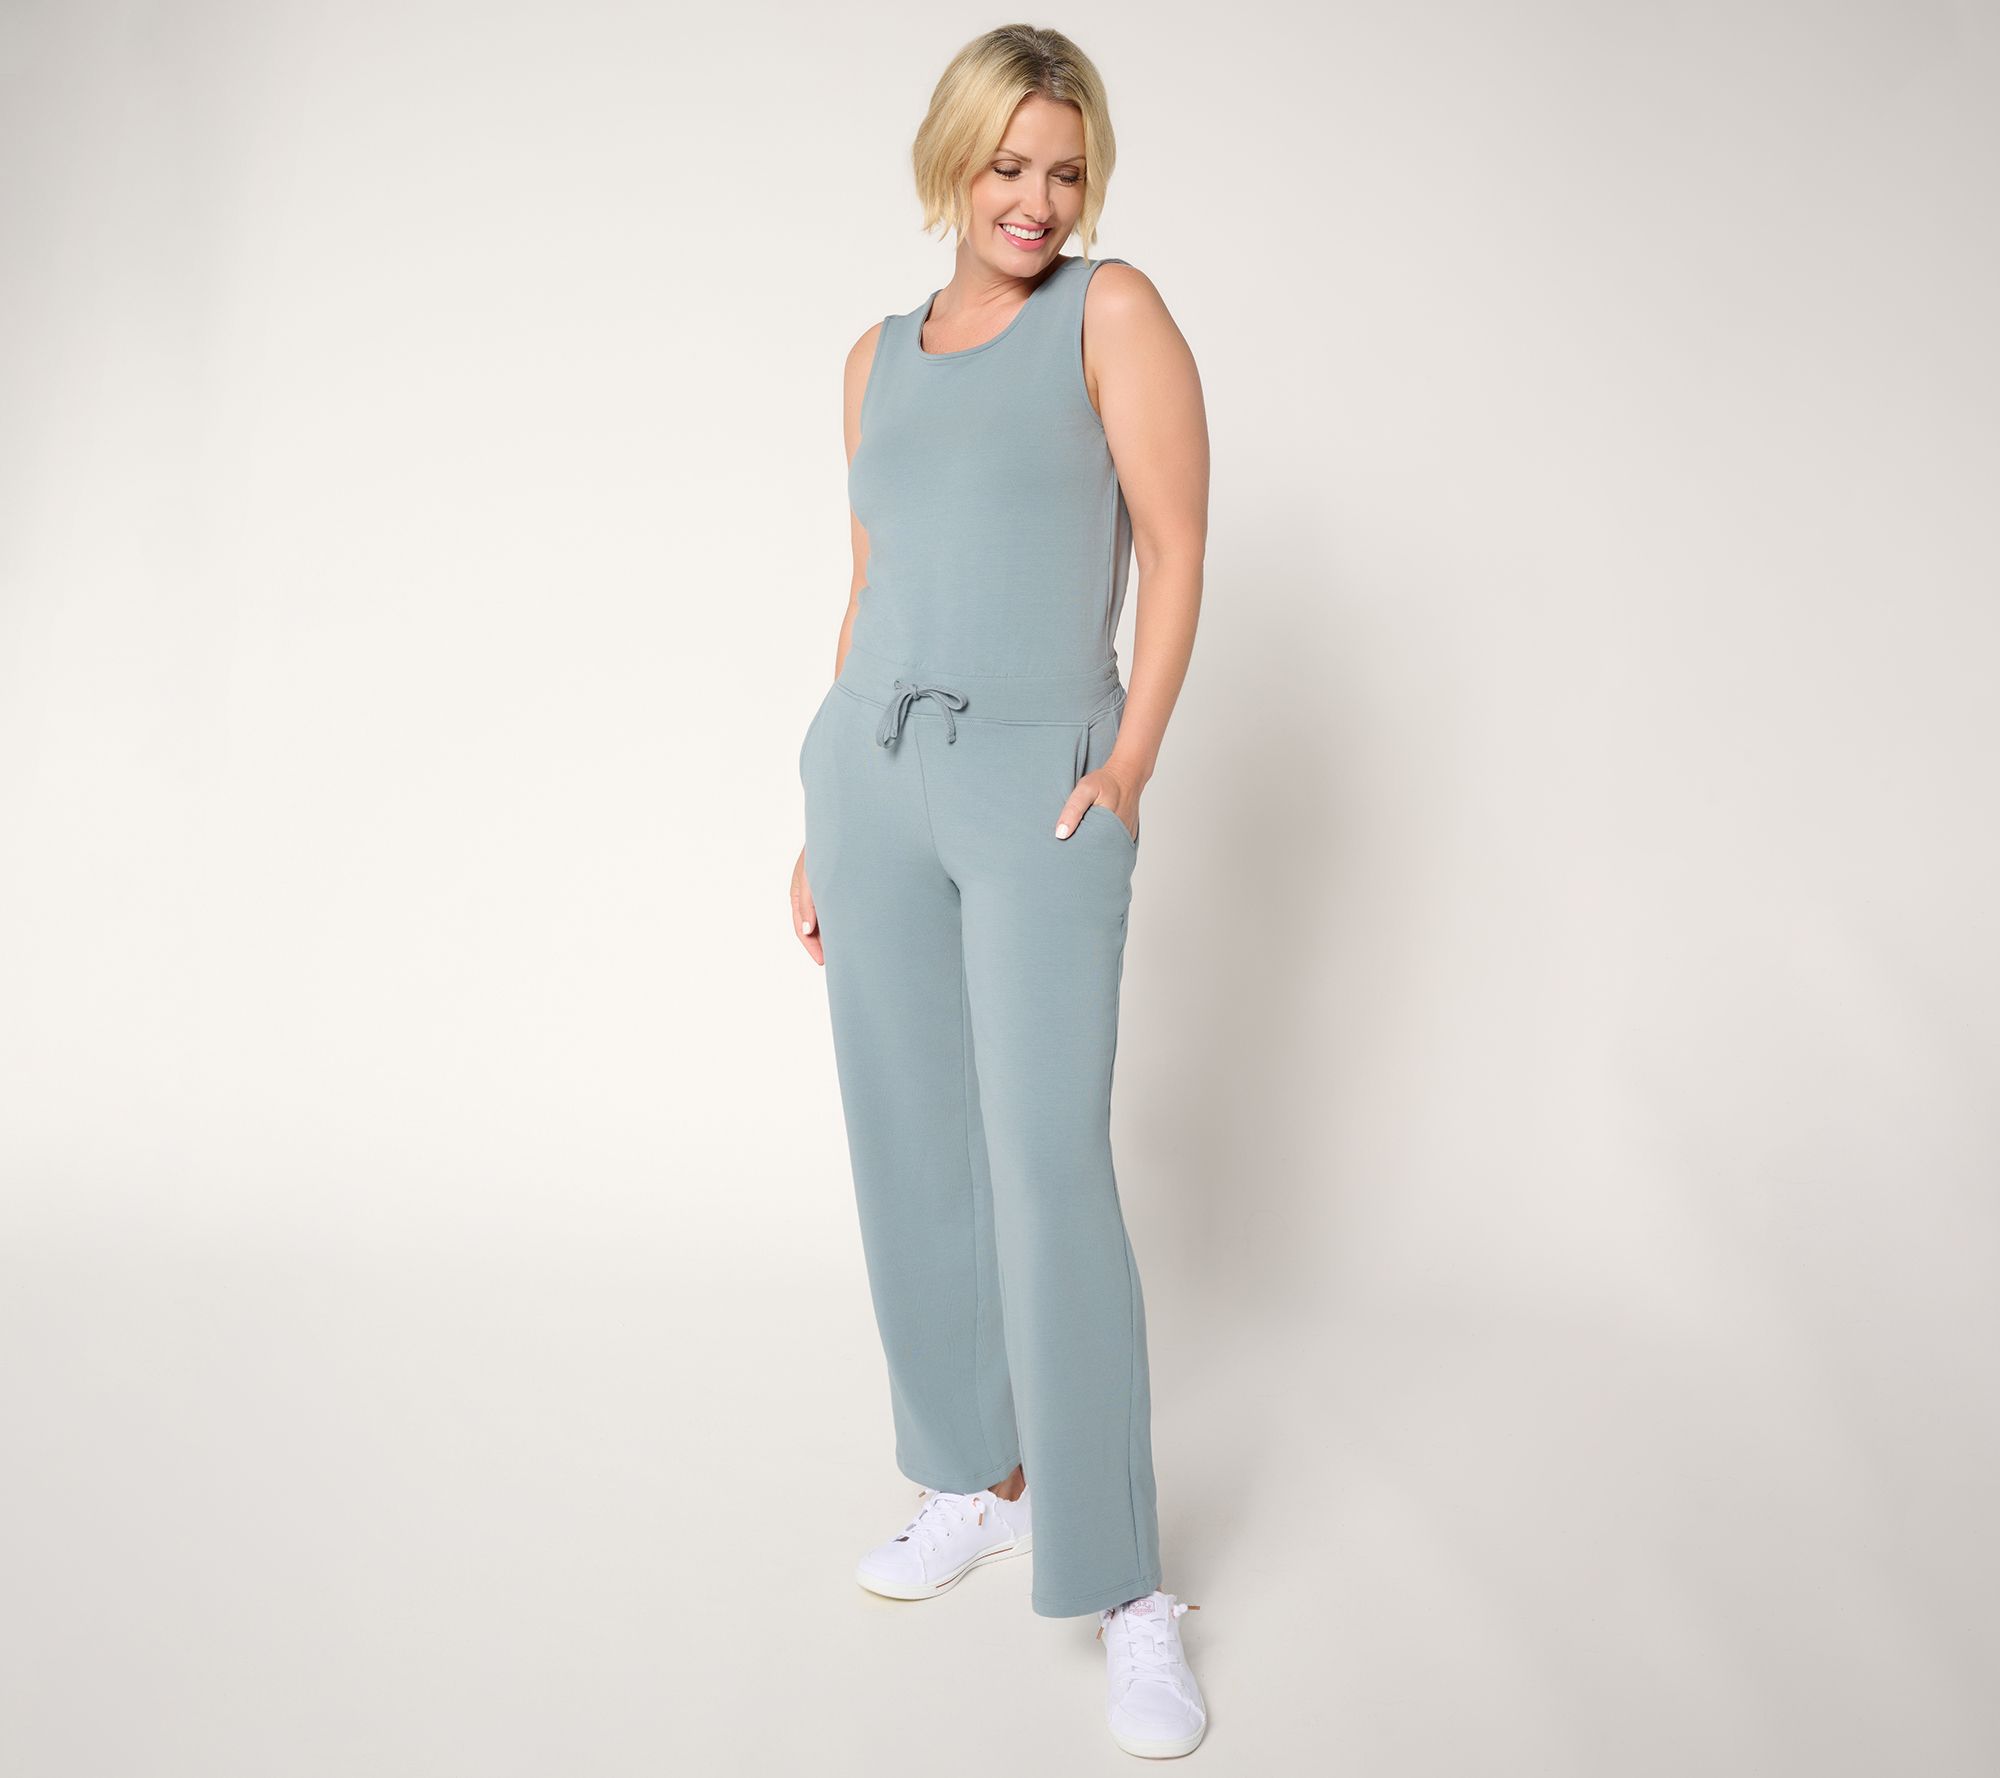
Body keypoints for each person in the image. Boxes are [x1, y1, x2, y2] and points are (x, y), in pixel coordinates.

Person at [789, 25, 1210, 1760]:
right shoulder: (874, 359)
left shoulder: (1110, 315)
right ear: (950, 162)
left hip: (1043, 780)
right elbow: (869, 577)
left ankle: (1127, 1587)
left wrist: (1129, 770)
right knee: (911, 1143)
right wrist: (820, 808)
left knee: (1047, 1169)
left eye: (1065, 169)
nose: (1037, 200)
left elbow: (1176, 546)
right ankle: (979, 1476)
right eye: (1008, 164)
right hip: (872, 771)